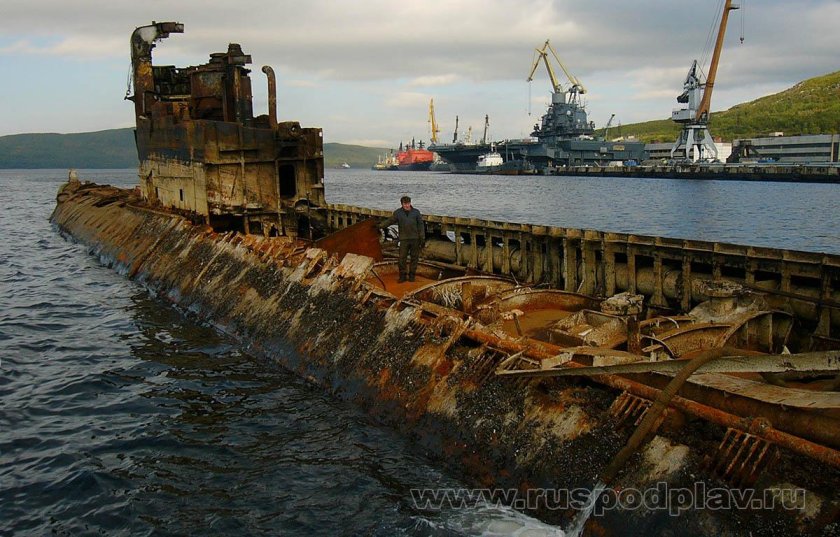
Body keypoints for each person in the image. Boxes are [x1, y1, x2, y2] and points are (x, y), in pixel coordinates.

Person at [380, 195, 425, 282]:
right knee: (401, 258)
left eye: (408, 203)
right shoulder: (398, 213)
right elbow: (390, 221)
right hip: (404, 239)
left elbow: (421, 226)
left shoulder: (416, 212)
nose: (407, 205)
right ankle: (402, 276)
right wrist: (380, 226)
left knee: (414, 258)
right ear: (402, 204)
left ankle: (412, 275)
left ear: (410, 203)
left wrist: (422, 238)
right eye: (405, 204)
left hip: (415, 239)